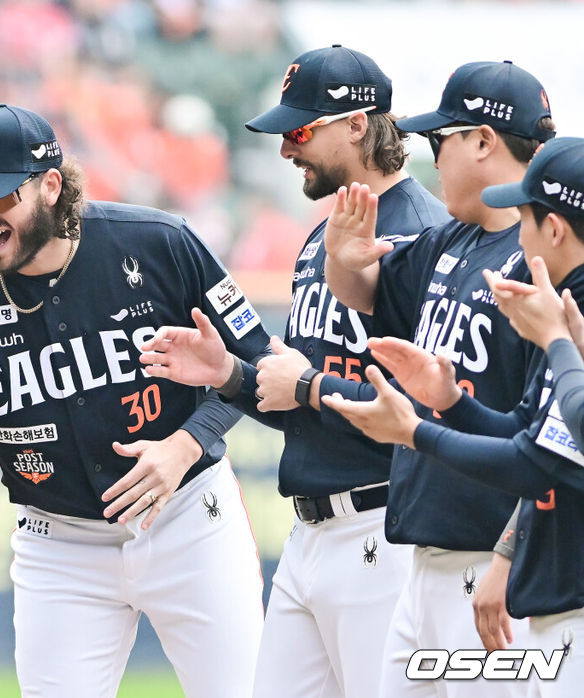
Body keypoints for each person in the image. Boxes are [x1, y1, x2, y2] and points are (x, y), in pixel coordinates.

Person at [0, 103, 269, 698]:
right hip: (60, 545)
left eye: (0, 197)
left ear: (51, 185)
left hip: (188, 518)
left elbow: (260, 365)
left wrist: (186, 446)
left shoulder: (159, 243)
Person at [139, 44, 448, 698]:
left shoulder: (423, 235)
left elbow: (427, 409)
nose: (286, 149)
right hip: (308, 536)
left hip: (381, 526)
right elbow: (286, 393)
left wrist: (306, 386)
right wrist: (227, 374)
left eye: (301, 131)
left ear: (358, 124)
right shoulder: (322, 237)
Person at [318, 60, 555, 696]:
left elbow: (555, 439)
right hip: (422, 560)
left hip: (490, 562)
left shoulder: (545, 263)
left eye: (439, 140)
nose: (432, 157)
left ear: (483, 140)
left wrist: (511, 552)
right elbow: (364, 290)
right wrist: (342, 260)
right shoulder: (451, 238)